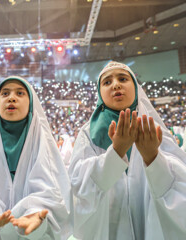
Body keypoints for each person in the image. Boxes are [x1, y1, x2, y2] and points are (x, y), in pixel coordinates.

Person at [69, 61, 186, 239]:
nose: (116, 85)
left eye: (123, 79)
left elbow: (180, 184)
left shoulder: (153, 130)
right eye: (107, 82)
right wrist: (115, 154)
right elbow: (77, 185)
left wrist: (153, 158)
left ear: (136, 88)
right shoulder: (88, 134)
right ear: (100, 93)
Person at [0, 76, 72, 240]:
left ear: (30, 102)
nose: (11, 97)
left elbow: (55, 191)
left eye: (20, 93)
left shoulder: (42, 140)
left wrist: (35, 212)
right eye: (5, 93)